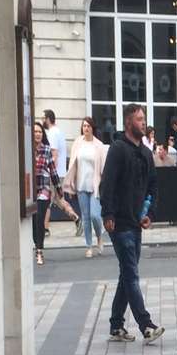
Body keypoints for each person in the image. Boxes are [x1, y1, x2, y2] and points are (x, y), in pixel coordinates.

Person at [99, 103, 165, 342]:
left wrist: (151, 213)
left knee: (126, 275)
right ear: (128, 122)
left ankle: (116, 325)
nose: (143, 122)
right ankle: (146, 325)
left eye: (144, 118)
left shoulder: (146, 153)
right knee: (131, 274)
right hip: (119, 223)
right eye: (138, 119)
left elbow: (153, 186)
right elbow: (107, 184)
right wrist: (107, 214)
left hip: (136, 223)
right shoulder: (117, 149)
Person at [66, 117, 107, 256]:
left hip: (95, 185)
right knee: (86, 217)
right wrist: (71, 184)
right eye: (84, 126)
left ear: (92, 128)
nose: (86, 128)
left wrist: (104, 185)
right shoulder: (77, 143)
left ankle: (100, 237)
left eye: (88, 126)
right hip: (81, 184)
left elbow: (103, 168)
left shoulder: (99, 145)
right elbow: (72, 164)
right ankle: (89, 245)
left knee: (95, 215)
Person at [42, 109, 80, 231]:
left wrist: (48, 171)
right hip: (60, 172)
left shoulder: (52, 133)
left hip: (55, 173)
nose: (42, 120)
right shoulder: (59, 132)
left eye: (43, 118)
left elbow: (54, 155)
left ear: (48, 119)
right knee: (59, 200)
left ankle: (45, 229)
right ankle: (76, 219)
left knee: (46, 200)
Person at [31, 122, 59, 265]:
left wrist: (59, 189)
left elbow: (53, 171)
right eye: (35, 131)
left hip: (44, 188)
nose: (37, 134)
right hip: (30, 190)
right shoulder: (27, 150)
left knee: (40, 218)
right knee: (33, 220)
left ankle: (39, 251)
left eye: (40, 132)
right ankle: (36, 244)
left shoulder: (47, 150)